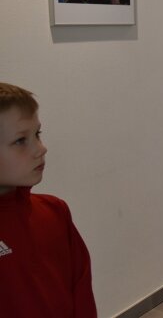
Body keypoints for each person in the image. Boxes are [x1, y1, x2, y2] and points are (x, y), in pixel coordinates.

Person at [0, 82, 97, 317]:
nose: (41, 148)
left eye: (37, 134)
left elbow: (81, 291)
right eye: (21, 140)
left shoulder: (54, 211)